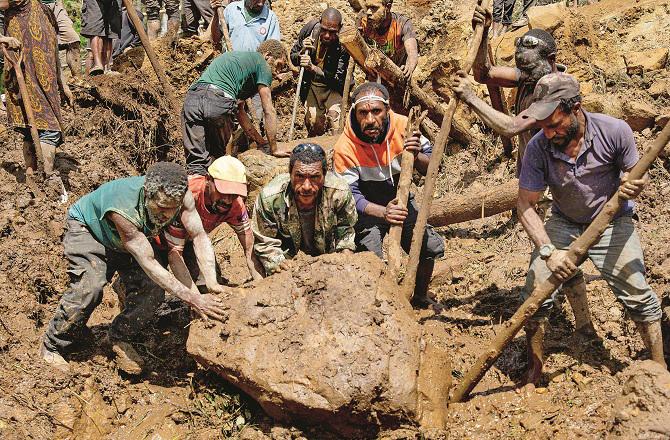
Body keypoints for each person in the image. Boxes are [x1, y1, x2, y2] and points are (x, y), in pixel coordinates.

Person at [516, 73, 666, 385]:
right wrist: (548, 251)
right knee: (536, 291)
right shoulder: (538, 147)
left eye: (554, 124)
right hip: (564, 221)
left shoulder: (615, 130)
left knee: (636, 289)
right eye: (542, 126)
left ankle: (658, 365)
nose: (548, 132)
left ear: (576, 108)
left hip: (612, 222)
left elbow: (636, 175)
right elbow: (525, 204)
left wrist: (635, 184)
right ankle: (535, 370)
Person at [40, 163, 228, 374]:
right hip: (90, 231)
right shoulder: (124, 209)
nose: (167, 215)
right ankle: (53, 345)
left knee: (153, 292)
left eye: (172, 209)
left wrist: (211, 282)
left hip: (126, 242)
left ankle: (117, 338)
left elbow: (199, 236)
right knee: (89, 286)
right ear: (148, 194)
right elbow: (148, 261)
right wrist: (194, 299)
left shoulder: (182, 197)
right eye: (161, 207)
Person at [332, 82, 444, 306]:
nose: (370, 119)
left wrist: (417, 153)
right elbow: (351, 196)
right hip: (367, 210)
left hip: (400, 200)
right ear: (355, 113)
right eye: (363, 113)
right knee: (370, 260)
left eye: (376, 111)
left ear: (387, 110)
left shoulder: (404, 125)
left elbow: (432, 166)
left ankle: (420, 295)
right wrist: (384, 213)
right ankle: (379, 305)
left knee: (428, 247)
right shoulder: (344, 147)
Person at [451, 9, 564, 176]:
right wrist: (483, 34)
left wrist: (470, 97)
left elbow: (511, 127)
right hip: (530, 176)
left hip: (553, 181)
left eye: (529, 69)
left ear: (551, 59)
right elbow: (483, 74)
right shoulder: (530, 74)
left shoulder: (557, 91)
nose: (523, 75)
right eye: (521, 69)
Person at [182, 39, 289, 176]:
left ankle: (198, 192)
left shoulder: (240, 65)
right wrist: (274, 148)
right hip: (217, 101)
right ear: (267, 55)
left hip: (192, 100)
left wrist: (261, 142)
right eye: (279, 65)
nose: (277, 73)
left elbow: (240, 112)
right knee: (223, 161)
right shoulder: (262, 63)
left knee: (196, 165)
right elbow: (268, 109)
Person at [252, 143, 357, 276]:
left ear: (324, 175)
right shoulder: (270, 198)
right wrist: (278, 262)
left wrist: (343, 258)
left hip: (328, 264)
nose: (306, 186)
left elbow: (346, 231)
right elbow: (264, 242)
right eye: (300, 176)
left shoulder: (339, 193)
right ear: (290, 173)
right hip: (289, 267)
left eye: (314, 177)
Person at [156, 156, 264, 285]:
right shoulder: (186, 194)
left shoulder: (235, 205)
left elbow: (248, 246)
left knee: (209, 285)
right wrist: (194, 298)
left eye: (233, 195)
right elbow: (175, 255)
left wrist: (260, 282)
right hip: (154, 238)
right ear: (208, 180)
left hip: (190, 240)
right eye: (223, 192)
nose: (228, 200)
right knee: (151, 291)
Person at [0, 0, 71, 187]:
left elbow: (53, 48)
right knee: (46, 129)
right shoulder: (14, 13)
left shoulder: (42, 12)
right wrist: (3, 39)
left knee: (39, 129)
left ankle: (33, 177)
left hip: (44, 77)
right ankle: (42, 178)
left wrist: (63, 84)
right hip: (21, 72)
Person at [290, 8, 350, 136]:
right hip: (312, 86)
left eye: (332, 32)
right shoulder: (309, 31)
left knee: (336, 120)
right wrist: (302, 53)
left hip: (332, 88)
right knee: (313, 122)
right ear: (320, 22)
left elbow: (337, 79)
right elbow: (293, 57)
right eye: (324, 30)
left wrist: (313, 68)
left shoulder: (344, 44)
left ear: (340, 28)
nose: (327, 35)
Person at [357, 0, 418, 80]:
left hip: (396, 76)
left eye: (373, 7)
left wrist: (409, 67)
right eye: (367, 7)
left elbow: (412, 53)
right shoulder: (363, 22)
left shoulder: (401, 23)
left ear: (388, 7)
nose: (368, 12)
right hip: (373, 74)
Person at [211, 0, 281, 52]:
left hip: (254, 68)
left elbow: (273, 51)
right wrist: (216, 16)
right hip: (230, 66)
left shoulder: (271, 18)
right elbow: (215, 39)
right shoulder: (232, 9)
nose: (261, 4)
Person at [42, 0, 82, 80]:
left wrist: (60, 5)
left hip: (56, 6)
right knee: (44, 43)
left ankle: (78, 80)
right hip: (36, 6)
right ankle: (51, 81)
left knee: (73, 39)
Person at [80, 0, 121, 75]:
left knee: (111, 31)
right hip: (94, 2)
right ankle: (98, 64)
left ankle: (106, 67)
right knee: (95, 27)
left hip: (114, 2)